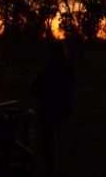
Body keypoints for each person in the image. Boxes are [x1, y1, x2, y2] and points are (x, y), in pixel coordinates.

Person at [31, 43, 75, 176]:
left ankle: (51, 167)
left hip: (48, 111)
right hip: (62, 109)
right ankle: (57, 165)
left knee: (48, 141)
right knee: (58, 139)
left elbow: (35, 88)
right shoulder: (68, 69)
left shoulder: (48, 70)